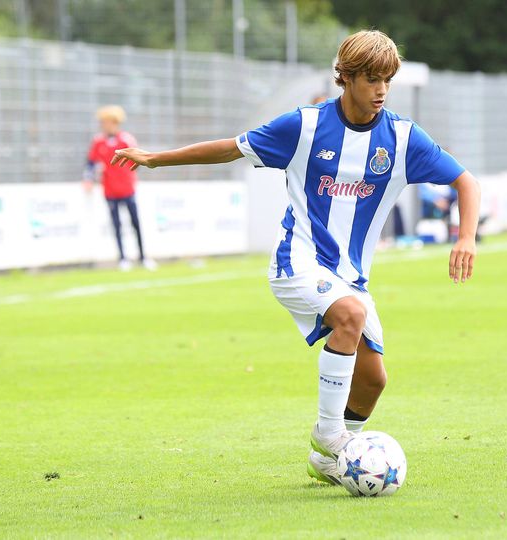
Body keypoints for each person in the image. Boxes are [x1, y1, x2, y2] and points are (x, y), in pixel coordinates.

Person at [110, 30, 481, 487]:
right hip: (296, 262)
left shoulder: (403, 138)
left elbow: (466, 182)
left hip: (351, 276)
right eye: (369, 79)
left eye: (386, 79)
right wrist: (153, 159)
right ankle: (330, 436)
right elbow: (232, 148)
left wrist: (466, 237)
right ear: (344, 78)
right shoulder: (304, 127)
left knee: (373, 380)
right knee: (350, 315)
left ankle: (326, 462)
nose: (380, 90)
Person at [83, 105, 156, 271]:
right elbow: (90, 162)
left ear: (114, 122)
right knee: (116, 224)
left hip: (127, 189)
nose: (102, 125)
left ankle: (143, 256)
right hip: (109, 190)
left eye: (105, 122)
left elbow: (137, 161)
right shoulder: (98, 141)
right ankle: (123, 258)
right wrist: (88, 178)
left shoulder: (126, 140)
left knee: (135, 223)